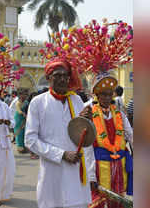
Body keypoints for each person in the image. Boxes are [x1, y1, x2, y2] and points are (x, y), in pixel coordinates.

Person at [25, 58, 97, 208]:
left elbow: (85, 139)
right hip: (52, 173)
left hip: (76, 176)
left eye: (65, 76)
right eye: (58, 75)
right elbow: (30, 140)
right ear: (48, 78)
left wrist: (91, 174)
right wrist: (61, 154)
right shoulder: (38, 103)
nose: (63, 79)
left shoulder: (76, 100)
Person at [89, 73, 133, 208]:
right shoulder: (90, 114)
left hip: (119, 165)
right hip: (99, 166)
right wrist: (90, 175)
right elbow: (87, 147)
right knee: (98, 202)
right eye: (103, 94)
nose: (107, 98)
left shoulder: (120, 114)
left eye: (109, 94)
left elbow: (131, 136)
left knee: (117, 201)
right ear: (97, 95)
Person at [13, 88, 30, 153]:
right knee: (19, 132)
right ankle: (20, 147)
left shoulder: (26, 102)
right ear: (20, 95)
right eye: (24, 94)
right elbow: (18, 110)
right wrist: (23, 114)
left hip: (25, 118)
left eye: (26, 95)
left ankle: (24, 146)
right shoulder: (17, 102)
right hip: (19, 118)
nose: (25, 96)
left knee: (24, 132)